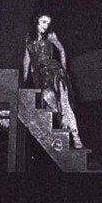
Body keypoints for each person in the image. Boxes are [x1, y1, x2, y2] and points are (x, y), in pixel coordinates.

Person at [23, 12, 83, 148]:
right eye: (43, 22)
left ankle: (76, 136)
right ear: (36, 21)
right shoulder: (28, 37)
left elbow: (61, 50)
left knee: (64, 100)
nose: (46, 25)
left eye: (48, 23)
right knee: (47, 96)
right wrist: (25, 78)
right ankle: (62, 120)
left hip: (54, 70)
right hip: (39, 74)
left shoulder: (50, 35)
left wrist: (64, 69)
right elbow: (27, 58)